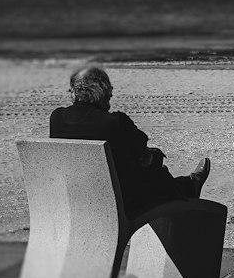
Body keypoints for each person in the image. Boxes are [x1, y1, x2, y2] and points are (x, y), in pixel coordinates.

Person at [50, 64, 211, 217]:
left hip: (74, 202)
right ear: (100, 91)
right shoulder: (115, 122)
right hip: (121, 205)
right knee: (152, 165)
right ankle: (188, 186)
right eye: (109, 90)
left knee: (138, 161)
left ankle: (186, 185)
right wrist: (154, 157)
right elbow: (144, 158)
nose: (111, 96)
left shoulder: (56, 118)